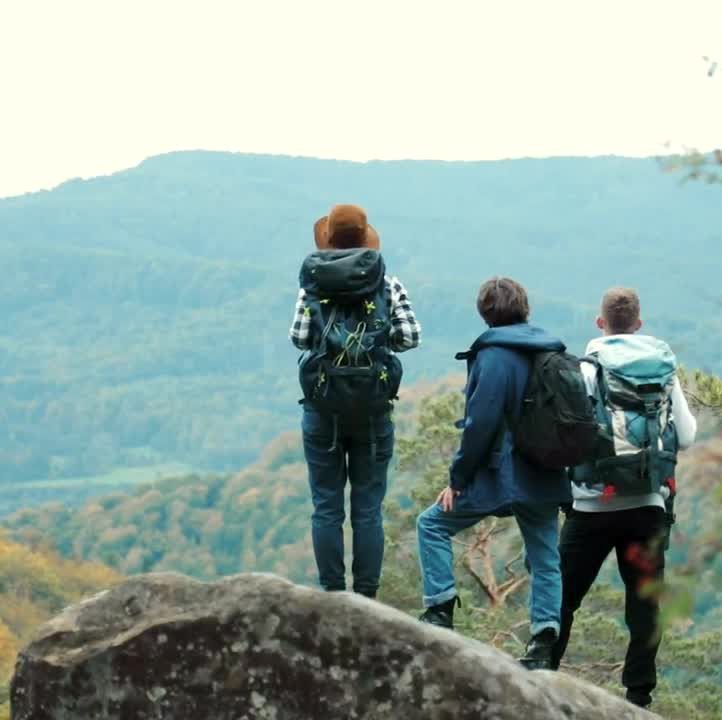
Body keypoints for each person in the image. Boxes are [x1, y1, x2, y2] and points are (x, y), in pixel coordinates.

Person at [548, 286, 697, 709]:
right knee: (645, 605)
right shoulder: (664, 371)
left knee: (563, 597)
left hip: (591, 506)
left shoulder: (586, 369)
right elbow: (686, 436)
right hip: (647, 508)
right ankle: (638, 695)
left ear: (601, 323)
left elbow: (567, 439)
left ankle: (542, 677)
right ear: (639, 324)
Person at [415, 276, 572, 670]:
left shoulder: (494, 356)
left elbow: (480, 424)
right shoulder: (552, 353)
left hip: (502, 473)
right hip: (546, 471)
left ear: (484, 313)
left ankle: (440, 610)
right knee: (545, 555)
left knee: (431, 525)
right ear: (526, 308)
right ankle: (543, 640)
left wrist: (457, 479)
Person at [291, 204, 421, 599]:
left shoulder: (312, 283)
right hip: (373, 407)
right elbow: (410, 337)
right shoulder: (388, 284)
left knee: (326, 506)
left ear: (330, 238)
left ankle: (332, 593)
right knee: (368, 509)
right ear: (366, 238)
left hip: (323, 407)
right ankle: (366, 597)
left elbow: (299, 338)